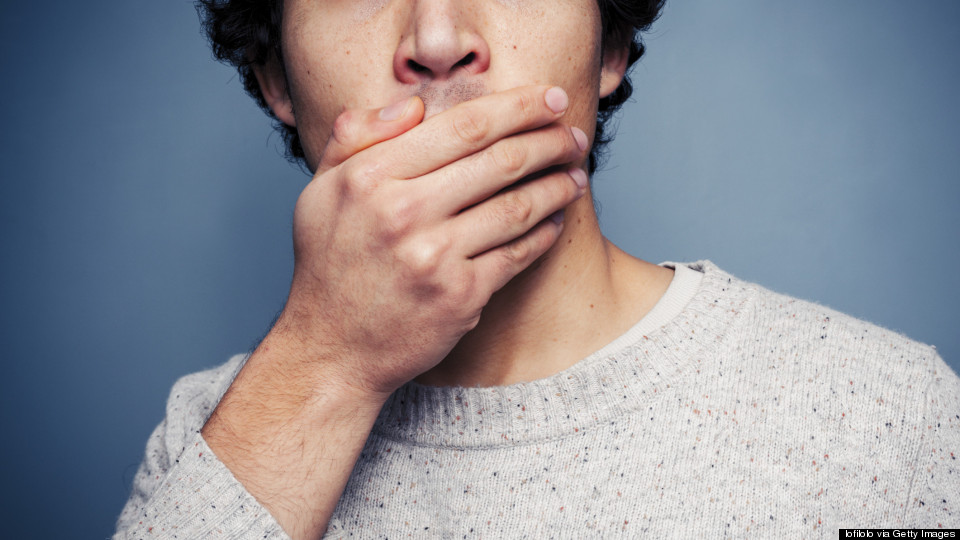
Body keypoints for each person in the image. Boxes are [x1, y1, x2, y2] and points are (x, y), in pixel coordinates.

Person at [115, 0, 960, 538]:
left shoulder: (889, 414)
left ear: (610, 45)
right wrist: (326, 361)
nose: (437, 42)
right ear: (276, 78)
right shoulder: (216, 440)